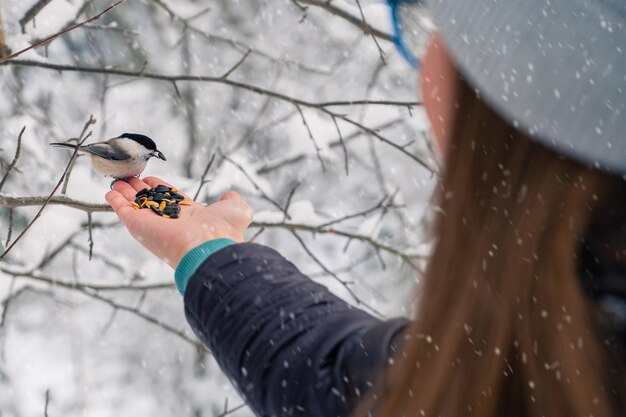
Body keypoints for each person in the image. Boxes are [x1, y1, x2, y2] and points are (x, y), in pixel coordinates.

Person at [105, 0, 626, 415]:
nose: (425, 71)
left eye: (427, 19)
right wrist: (210, 254)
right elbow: (334, 379)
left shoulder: (514, 373)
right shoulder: (532, 361)